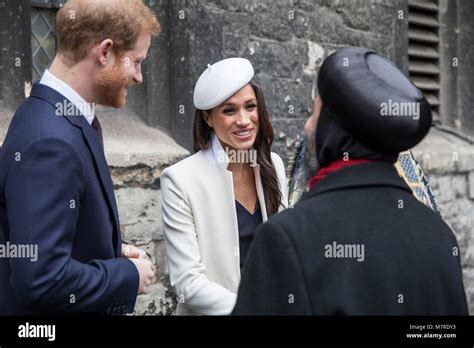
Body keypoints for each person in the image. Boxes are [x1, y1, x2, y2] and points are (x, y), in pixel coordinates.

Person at [232, 47, 469, 315]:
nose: (308, 125)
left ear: (331, 129)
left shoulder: (287, 239)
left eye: (314, 114)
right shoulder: (439, 235)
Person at [0, 0, 160, 315]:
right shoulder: (50, 141)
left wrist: (110, 250)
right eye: (136, 61)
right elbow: (42, 279)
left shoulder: (61, 117)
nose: (139, 77)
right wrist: (126, 276)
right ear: (104, 52)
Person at [161, 57, 288, 315]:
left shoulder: (273, 165)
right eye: (229, 111)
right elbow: (187, 282)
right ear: (208, 118)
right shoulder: (179, 179)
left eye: (250, 107)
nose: (244, 120)